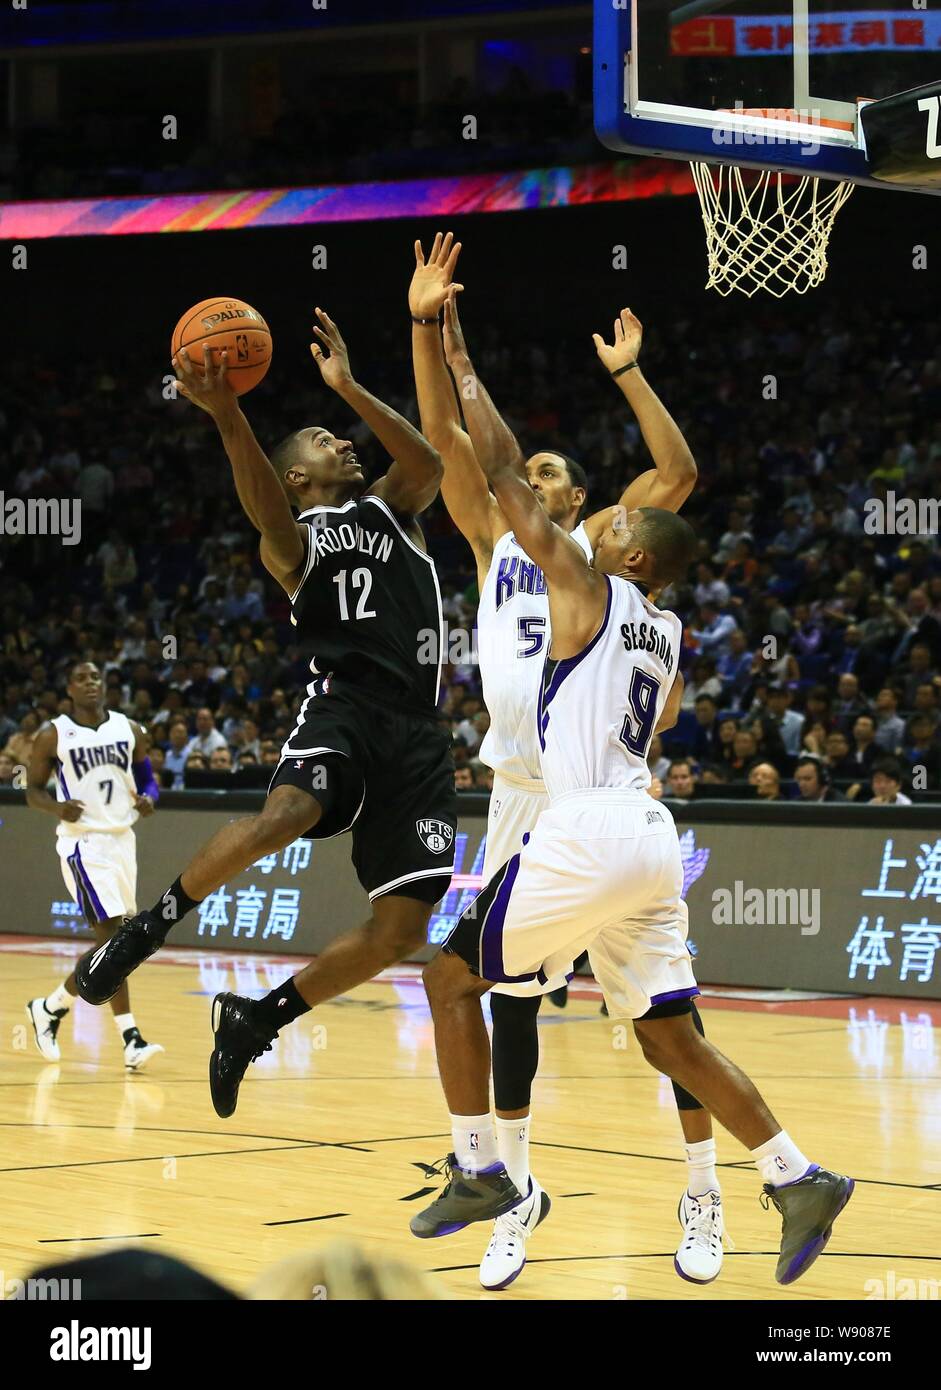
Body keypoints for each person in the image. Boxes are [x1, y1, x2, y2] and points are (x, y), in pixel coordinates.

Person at [411, 368, 853, 1290]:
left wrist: (456, 361)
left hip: (584, 830)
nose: (601, 522)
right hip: (646, 832)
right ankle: (796, 1175)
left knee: (449, 976)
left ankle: (480, 1171)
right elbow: (651, 712)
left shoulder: (588, 584)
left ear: (631, 558)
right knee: (670, 1037)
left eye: (611, 525)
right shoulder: (665, 625)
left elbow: (496, 467)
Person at [74, 261, 462, 1124]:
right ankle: (150, 926)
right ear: (298, 476)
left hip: (419, 735)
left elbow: (428, 457)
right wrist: (229, 415)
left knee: (401, 932)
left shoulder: (394, 511)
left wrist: (351, 387)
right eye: (327, 441)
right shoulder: (295, 538)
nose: (345, 444)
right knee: (284, 814)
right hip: (345, 706)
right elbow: (263, 512)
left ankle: (255, 1018)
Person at [413, 280, 721, 1286]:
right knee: (505, 1004)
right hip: (517, 797)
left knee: (663, 1020)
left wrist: (627, 376)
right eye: (528, 467)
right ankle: (512, 1189)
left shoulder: (595, 555)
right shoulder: (491, 541)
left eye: (550, 470)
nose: (528, 473)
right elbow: (458, 445)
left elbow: (676, 469)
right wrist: (441, 342)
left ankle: (702, 1189)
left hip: (597, 796)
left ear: (580, 503)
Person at [24, 661, 164, 1069]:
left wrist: (148, 797)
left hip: (123, 841)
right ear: (68, 688)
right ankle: (130, 1038)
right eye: (82, 678)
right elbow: (30, 791)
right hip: (83, 845)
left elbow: (149, 780)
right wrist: (56, 807)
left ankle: (50, 1007)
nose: (91, 683)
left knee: (120, 944)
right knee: (114, 941)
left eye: (96, 677)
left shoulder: (130, 729)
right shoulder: (53, 734)